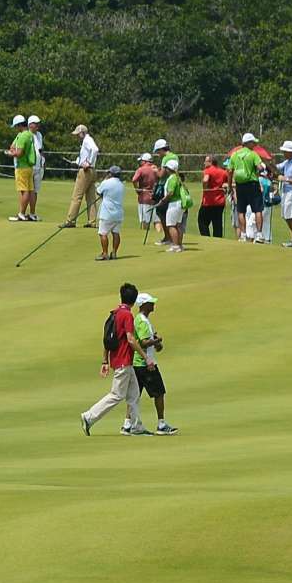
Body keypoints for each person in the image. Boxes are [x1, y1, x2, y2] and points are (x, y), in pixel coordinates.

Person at [82, 282, 146, 436]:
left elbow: (106, 340)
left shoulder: (115, 313)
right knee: (117, 395)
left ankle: (136, 426)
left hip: (121, 361)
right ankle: (88, 416)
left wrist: (105, 360)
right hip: (124, 361)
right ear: (134, 300)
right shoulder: (127, 315)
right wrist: (145, 357)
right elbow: (130, 339)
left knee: (134, 394)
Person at [132, 293, 176, 434]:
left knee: (134, 395)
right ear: (144, 305)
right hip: (145, 364)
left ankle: (128, 424)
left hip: (141, 363)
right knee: (159, 393)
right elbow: (143, 342)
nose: (153, 305)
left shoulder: (144, 320)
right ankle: (161, 425)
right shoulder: (142, 321)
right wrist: (156, 341)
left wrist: (156, 343)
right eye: (151, 303)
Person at [228, 135, 266, 242]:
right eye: (253, 143)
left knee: (241, 210)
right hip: (252, 184)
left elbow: (230, 171)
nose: (254, 145)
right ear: (248, 143)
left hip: (240, 185)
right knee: (258, 209)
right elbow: (259, 167)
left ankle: (243, 234)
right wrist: (261, 168)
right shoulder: (253, 154)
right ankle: (259, 234)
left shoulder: (235, 155)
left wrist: (230, 186)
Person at [62, 123, 99, 228]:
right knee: (91, 197)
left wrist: (88, 163)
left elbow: (95, 149)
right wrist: (78, 161)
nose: (77, 136)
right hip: (92, 171)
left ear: (83, 132)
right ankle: (92, 221)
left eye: (78, 134)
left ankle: (70, 220)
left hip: (86, 171)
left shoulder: (87, 140)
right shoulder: (86, 141)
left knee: (77, 196)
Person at [7, 115, 40, 222]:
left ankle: (21, 213)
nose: (16, 129)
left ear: (19, 125)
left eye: (16, 126)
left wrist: (9, 154)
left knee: (24, 191)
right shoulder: (29, 135)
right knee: (29, 190)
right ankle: (24, 213)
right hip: (29, 167)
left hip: (22, 167)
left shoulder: (22, 136)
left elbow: (19, 153)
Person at [157, 158, 191, 252]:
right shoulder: (177, 177)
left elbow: (171, 192)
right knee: (177, 225)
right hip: (179, 204)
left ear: (169, 168)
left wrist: (163, 200)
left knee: (171, 225)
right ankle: (179, 245)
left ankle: (175, 246)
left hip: (174, 203)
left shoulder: (172, 178)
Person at [93, 164, 126, 261]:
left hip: (107, 213)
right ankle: (114, 252)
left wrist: (105, 179)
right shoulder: (121, 184)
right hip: (118, 213)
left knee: (103, 233)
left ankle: (105, 253)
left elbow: (98, 191)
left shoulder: (106, 182)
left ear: (111, 173)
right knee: (116, 233)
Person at [131, 150, 163, 247]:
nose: (140, 162)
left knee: (144, 221)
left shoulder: (141, 169)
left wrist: (137, 189)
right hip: (155, 197)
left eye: (141, 161)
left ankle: (144, 239)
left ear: (144, 161)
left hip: (144, 197)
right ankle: (159, 236)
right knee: (156, 220)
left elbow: (134, 180)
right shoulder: (155, 168)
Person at [197, 153, 230, 240]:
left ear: (210, 162)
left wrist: (206, 189)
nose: (204, 163)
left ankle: (206, 239)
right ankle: (218, 240)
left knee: (202, 221)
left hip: (208, 202)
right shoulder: (223, 172)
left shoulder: (208, 170)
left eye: (206, 161)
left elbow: (205, 180)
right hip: (220, 202)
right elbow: (228, 182)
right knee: (217, 223)